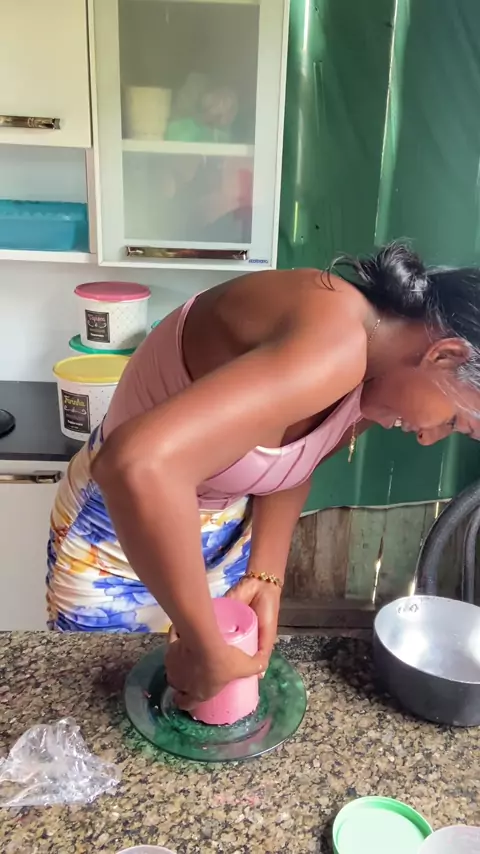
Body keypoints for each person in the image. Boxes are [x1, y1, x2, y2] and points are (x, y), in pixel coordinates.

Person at [48, 242, 480, 709]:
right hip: (120, 536)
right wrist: (205, 647)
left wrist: (265, 573)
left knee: (196, 706)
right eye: (456, 422)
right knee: (105, 707)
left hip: (223, 533)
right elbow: (134, 466)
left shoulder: (379, 377)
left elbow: (294, 464)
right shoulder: (336, 343)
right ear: (445, 356)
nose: (430, 438)